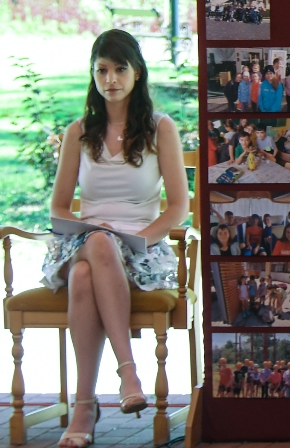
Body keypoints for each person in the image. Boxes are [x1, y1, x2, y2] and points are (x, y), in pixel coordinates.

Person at [47, 30, 187, 448]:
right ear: (93, 75)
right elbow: (59, 208)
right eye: (102, 70)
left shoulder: (160, 128)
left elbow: (178, 207)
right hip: (83, 243)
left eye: (120, 69)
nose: (110, 79)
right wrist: (93, 233)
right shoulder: (78, 132)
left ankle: (84, 408)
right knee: (96, 243)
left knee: (85, 275)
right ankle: (128, 372)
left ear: (137, 72)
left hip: (141, 247)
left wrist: (135, 239)